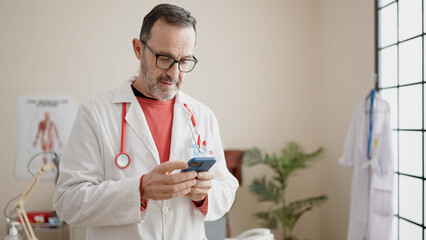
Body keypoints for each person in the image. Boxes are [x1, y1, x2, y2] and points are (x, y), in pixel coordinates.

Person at [52, 3, 239, 240]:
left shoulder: (202, 116)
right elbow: (68, 202)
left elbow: (226, 189)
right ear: (138, 49)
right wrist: (140, 189)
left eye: (184, 61)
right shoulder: (96, 113)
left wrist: (203, 195)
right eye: (164, 58)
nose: (174, 73)